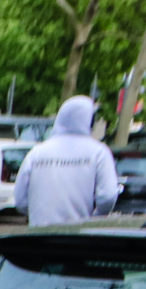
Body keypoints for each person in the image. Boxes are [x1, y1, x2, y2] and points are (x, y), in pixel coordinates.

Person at [12, 96, 119, 224]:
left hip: (38, 236)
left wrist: (38, 214)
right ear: (89, 121)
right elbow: (108, 196)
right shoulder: (99, 152)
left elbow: (20, 199)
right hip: (77, 235)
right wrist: (95, 218)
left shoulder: (37, 153)